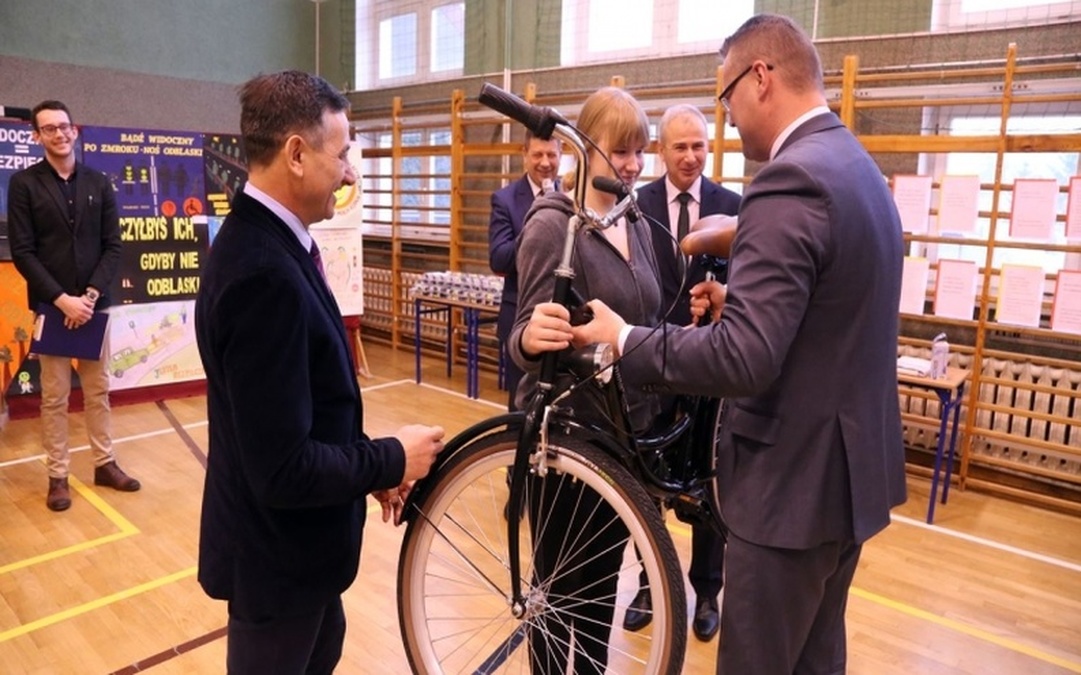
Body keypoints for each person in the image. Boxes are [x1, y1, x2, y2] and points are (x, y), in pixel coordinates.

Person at [571, 14, 907, 674]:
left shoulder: (789, 178)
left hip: (791, 488)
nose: (728, 120)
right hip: (848, 475)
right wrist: (745, 303)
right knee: (814, 660)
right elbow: (834, 313)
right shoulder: (855, 165)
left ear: (760, 77)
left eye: (726, 99)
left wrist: (625, 337)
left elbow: (742, 358)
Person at [194, 70, 445, 674]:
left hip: (303, 563)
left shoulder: (273, 246)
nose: (351, 173)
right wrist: (390, 458)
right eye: (343, 154)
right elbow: (282, 469)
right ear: (297, 154)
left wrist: (365, 469)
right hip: (277, 568)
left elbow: (304, 414)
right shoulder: (263, 275)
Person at [509, 86, 661, 675]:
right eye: (622, 151)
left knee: (600, 596)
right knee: (555, 599)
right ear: (587, 147)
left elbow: (644, 316)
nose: (634, 164)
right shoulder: (554, 226)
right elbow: (522, 338)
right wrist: (533, 338)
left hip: (623, 437)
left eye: (640, 151)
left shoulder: (633, 218)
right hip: (566, 441)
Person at [623, 103, 741, 642]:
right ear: (660, 151)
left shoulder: (734, 207)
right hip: (651, 366)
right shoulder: (636, 205)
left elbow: (746, 288)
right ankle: (651, 583)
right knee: (646, 481)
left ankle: (708, 591)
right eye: (680, 146)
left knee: (709, 486)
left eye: (699, 146)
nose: (691, 156)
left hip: (709, 371)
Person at [8, 100, 139, 512]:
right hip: (53, 308)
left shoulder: (99, 182)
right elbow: (23, 252)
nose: (59, 134)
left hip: (94, 307)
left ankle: (104, 464)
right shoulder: (24, 184)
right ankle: (58, 476)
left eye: (64, 126)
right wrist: (62, 300)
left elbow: (113, 245)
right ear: (37, 136)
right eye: (49, 128)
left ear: (74, 130)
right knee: (55, 397)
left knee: (98, 390)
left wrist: (90, 296)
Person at [487, 131, 561, 411]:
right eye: (538, 154)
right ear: (524, 155)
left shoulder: (573, 196)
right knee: (522, 409)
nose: (545, 162)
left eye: (551, 155)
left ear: (561, 155)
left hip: (566, 321)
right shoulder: (504, 199)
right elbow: (499, 259)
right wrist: (538, 226)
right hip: (522, 320)